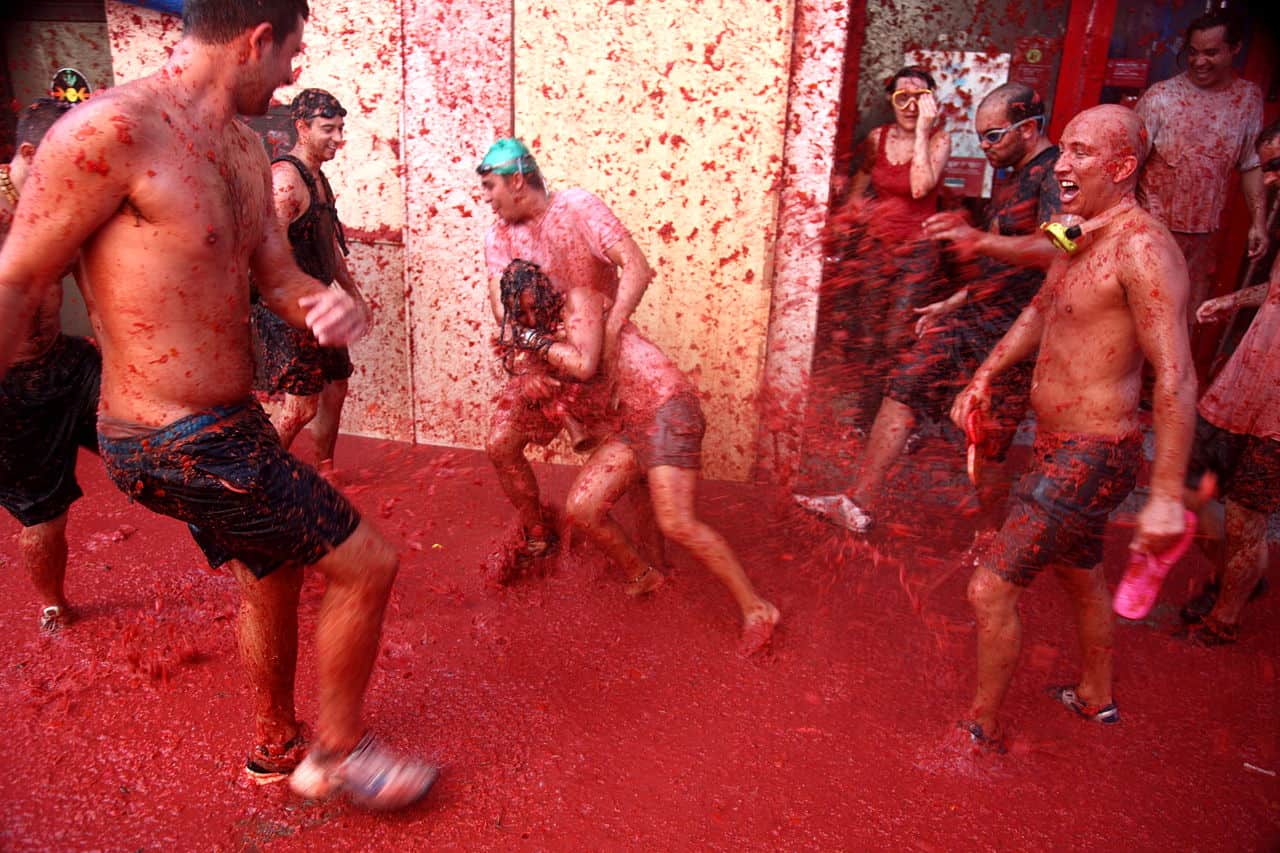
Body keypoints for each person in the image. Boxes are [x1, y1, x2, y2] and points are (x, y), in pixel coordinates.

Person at [0, 0, 435, 810]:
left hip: (230, 421)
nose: (296, 74)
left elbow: (277, 279)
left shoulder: (241, 151)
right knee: (367, 561)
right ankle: (341, 751)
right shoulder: (111, 131)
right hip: (165, 433)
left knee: (271, 572)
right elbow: (20, 277)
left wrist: (323, 306)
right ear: (257, 40)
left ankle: (276, 748)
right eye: (293, 54)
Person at [949, 105, 1195, 748]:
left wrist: (1166, 498)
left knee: (989, 589)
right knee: (1078, 571)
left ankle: (978, 730)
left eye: (1081, 153)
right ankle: (1095, 694)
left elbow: (1176, 377)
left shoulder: (1144, 248)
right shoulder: (1078, 232)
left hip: (1095, 451)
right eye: (1065, 150)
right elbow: (1037, 311)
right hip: (1060, 444)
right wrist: (983, 375)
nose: (1061, 164)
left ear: (1120, 167)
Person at [795, 83, 1058, 533]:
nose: (985, 148)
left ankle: (992, 537)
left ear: (1029, 129)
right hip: (977, 313)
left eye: (993, 136)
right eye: (980, 138)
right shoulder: (1012, 172)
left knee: (989, 436)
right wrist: (954, 300)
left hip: (1020, 328)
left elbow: (1058, 249)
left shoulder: (1055, 173)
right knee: (905, 382)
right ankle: (858, 503)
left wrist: (976, 239)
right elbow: (1003, 263)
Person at [496, 259, 780, 654]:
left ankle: (758, 609)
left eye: (534, 307)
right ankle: (643, 575)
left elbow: (584, 362)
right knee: (582, 508)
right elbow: (540, 371)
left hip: (666, 408)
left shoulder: (580, 301)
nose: (531, 318)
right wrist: (530, 378)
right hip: (631, 425)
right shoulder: (546, 338)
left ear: (549, 293)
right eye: (521, 314)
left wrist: (533, 342)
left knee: (677, 522)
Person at [478, 138, 654, 584]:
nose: (486, 198)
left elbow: (636, 266)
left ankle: (653, 554)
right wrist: (527, 366)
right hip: (546, 360)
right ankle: (539, 531)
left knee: (628, 460)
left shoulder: (578, 207)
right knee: (501, 443)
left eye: (489, 186)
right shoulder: (498, 234)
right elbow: (504, 312)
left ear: (517, 180)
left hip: (604, 360)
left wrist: (610, 332)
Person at [1175, 121, 1280, 645]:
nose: (1274, 179)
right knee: (1191, 488)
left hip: (1277, 409)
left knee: (1245, 514)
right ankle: (1235, 579)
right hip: (1244, 384)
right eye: (1269, 168)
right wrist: (1231, 301)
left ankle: (1227, 616)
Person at [0, 98, 100, 634]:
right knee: (44, 516)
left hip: (66, 361)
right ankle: (52, 603)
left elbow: (88, 273)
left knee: (167, 437)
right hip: (10, 388)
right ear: (30, 153)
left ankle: (251, 559)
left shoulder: (61, 203)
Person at [823, 66, 950, 433]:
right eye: (902, 97)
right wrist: (841, 230)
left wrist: (924, 132)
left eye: (920, 98)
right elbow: (857, 192)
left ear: (932, 102)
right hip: (878, 250)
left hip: (917, 254)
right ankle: (865, 419)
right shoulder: (877, 138)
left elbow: (920, 189)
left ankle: (902, 424)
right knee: (870, 335)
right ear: (890, 100)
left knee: (900, 337)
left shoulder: (939, 139)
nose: (911, 106)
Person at [251, 88, 367, 473]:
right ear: (302, 127)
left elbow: (329, 247)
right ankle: (260, 477)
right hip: (287, 308)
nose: (337, 138)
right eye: (328, 129)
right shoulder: (285, 182)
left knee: (336, 384)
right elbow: (268, 257)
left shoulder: (319, 178)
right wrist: (296, 304)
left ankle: (324, 467)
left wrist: (353, 295)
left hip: (318, 301)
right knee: (301, 406)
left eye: (340, 129)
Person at [1135, 11, 1267, 338]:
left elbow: (1251, 164)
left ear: (1234, 49)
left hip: (1204, 238)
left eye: (1211, 52)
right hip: (1151, 231)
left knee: (1182, 325)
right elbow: (1128, 164)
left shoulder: (1247, 99)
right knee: (1137, 320)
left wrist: (1258, 221)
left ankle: (1164, 388)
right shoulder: (1161, 97)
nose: (1199, 61)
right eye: (1193, 52)